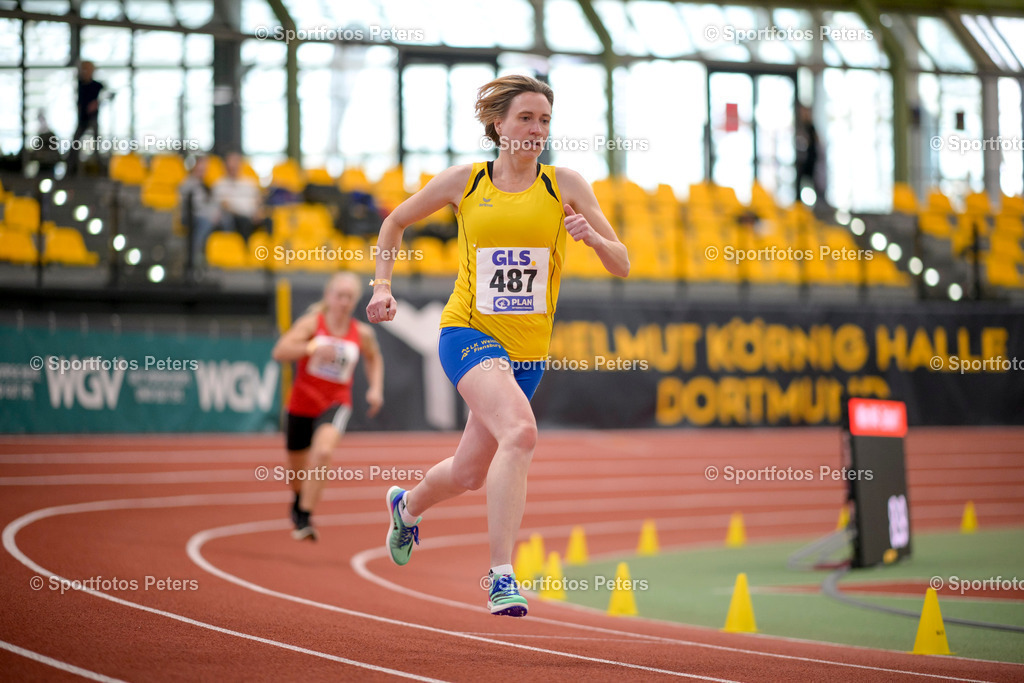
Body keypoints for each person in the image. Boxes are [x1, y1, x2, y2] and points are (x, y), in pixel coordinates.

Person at [365, 74, 629, 617]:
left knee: (467, 474)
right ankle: (502, 576)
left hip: (526, 355)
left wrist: (593, 238)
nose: (536, 130)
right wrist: (383, 286)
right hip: (466, 333)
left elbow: (622, 263)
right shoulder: (466, 181)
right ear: (498, 125)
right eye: (526, 119)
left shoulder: (565, 185)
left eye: (545, 121)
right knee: (522, 430)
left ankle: (407, 508)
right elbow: (394, 222)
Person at [272, 272, 385, 541]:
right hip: (301, 403)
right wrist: (311, 348)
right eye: (340, 296)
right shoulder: (312, 324)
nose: (344, 302)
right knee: (296, 467)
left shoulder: (362, 333)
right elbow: (280, 351)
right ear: (329, 297)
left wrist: (376, 389)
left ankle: (305, 516)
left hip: (335, 403)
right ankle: (299, 498)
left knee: (323, 452)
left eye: (349, 297)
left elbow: (374, 357)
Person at [211, 152, 265, 240]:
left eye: (236, 164)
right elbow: (225, 206)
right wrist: (245, 213)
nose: (233, 167)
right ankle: (243, 250)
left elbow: (258, 200)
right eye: (231, 165)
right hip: (235, 217)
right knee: (243, 222)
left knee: (269, 221)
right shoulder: (219, 184)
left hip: (253, 215)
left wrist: (258, 212)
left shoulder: (249, 183)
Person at [68, 61, 103, 175]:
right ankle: (70, 169)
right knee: (75, 144)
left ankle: (100, 169)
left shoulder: (97, 86)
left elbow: (105, 96)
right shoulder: (79, 85)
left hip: (92, 119)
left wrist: (96, 103)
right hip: (82, 120)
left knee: (96, 145)